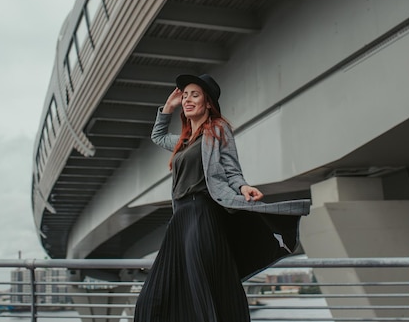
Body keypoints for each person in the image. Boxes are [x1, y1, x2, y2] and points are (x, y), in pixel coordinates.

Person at [133, 73, 311, 322]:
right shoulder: (183, 141)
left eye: (195, 95)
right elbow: (158, 136)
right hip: (179, 222)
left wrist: (243, 186)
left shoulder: (217, 130)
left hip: (201, 213)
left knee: (200, 285)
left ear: (208, 103)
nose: (187, 99)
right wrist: (168, 108)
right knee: (153, 294)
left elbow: (231, 168)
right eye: (185, 95)